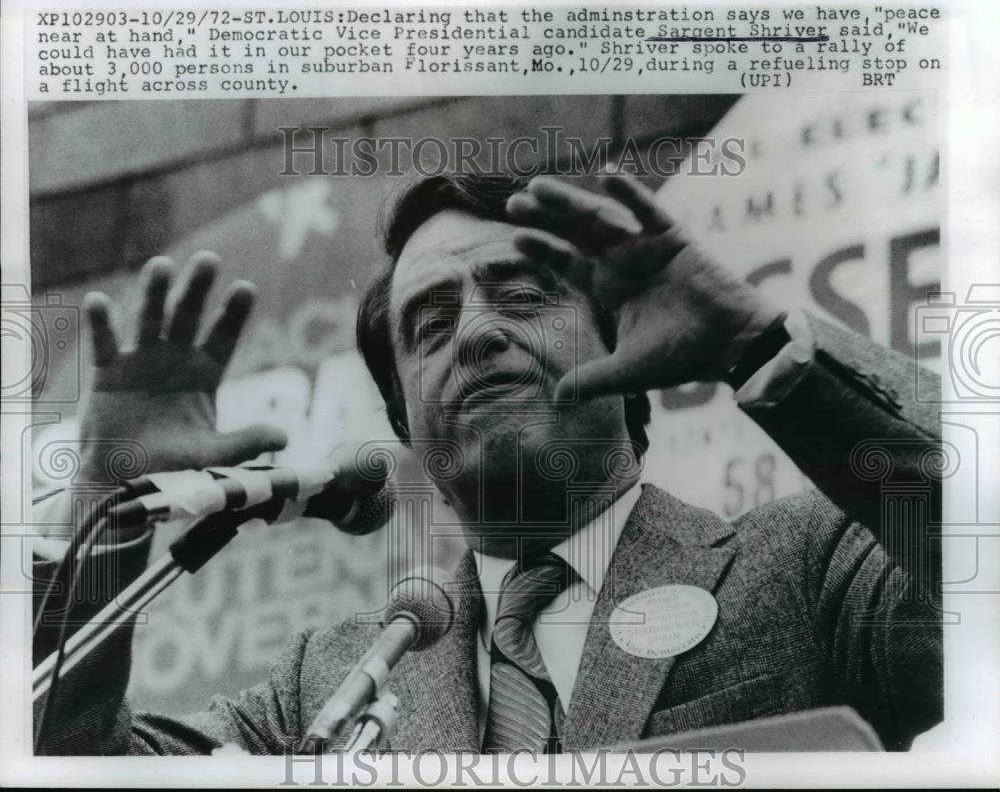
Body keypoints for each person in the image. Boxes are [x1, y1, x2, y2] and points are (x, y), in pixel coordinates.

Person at [32, 172, 943, 755]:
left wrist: (754, 345)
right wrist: (105, 511)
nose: (474, 332)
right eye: (429, 325)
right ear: (406, 421)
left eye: (522, 294)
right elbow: (65, 766)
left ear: (634, 353)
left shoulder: (807, 566)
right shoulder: (329, 683)